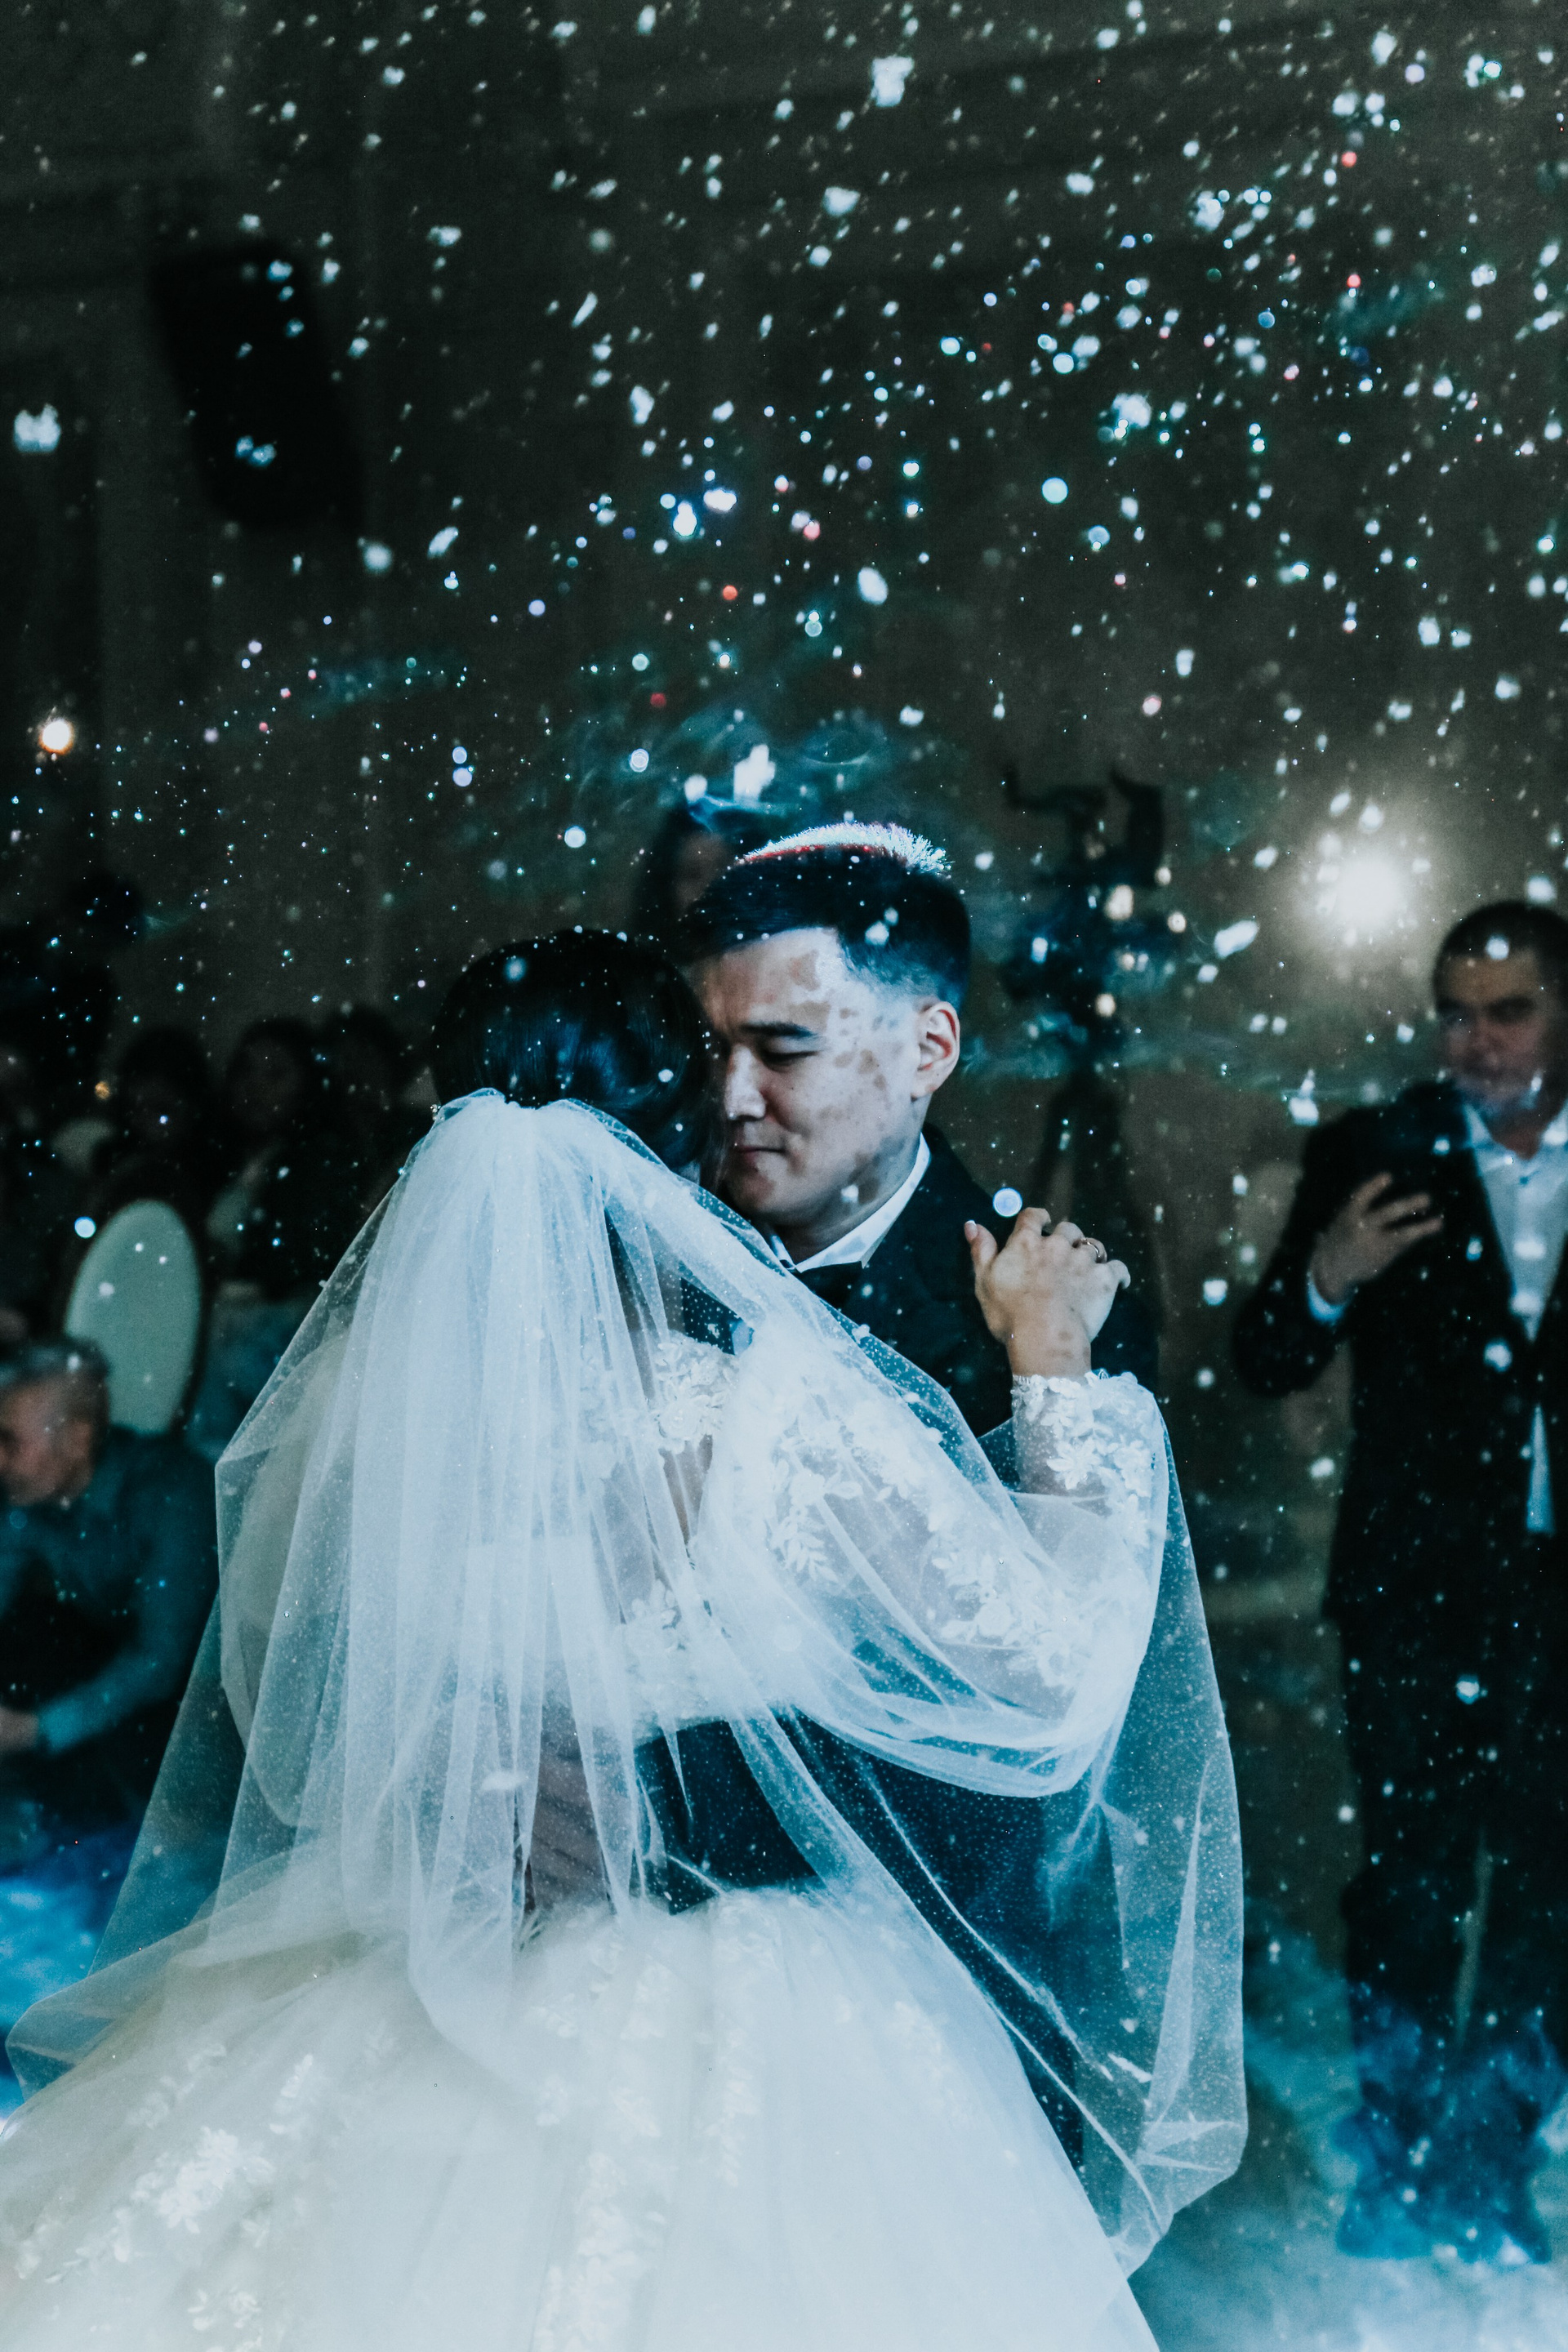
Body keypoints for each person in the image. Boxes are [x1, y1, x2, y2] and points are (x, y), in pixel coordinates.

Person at [0, 935, 1242, 2349]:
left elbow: (307, 1673)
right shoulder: (760, 1413)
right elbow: (1049, 1668)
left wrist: (461, 1771)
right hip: (742, 2001)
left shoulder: (357, 1408)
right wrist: (1057, 1368)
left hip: (422, 1951)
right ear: (673, 1148)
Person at [1233, 901, 1568, 2265]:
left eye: (1510, 1010)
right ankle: (1397, 2163)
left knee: (1552, 1890)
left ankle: (1491, 2161)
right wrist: (1326, 1277)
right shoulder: (1376, 1151)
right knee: (1411, 1888)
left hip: (1561, 1606)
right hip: (1417, 1597)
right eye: (1456, 1013)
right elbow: (1266, 1354)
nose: (1476, 1041)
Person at [679, 822, 1158, 1440]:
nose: (731, 1098)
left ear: (928, 1051)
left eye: (783, 1051)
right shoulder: (646, 1244)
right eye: (715, 1050)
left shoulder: (1072, 1323)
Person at [0, 1339, 216, 2080]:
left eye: (11, 1439)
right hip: (114, 1686)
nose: (1, 1459)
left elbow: (162, 1661)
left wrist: (34, 1730)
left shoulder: (173, 1492)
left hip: (202, 1704)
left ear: (77, 1437)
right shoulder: (34, 1502)